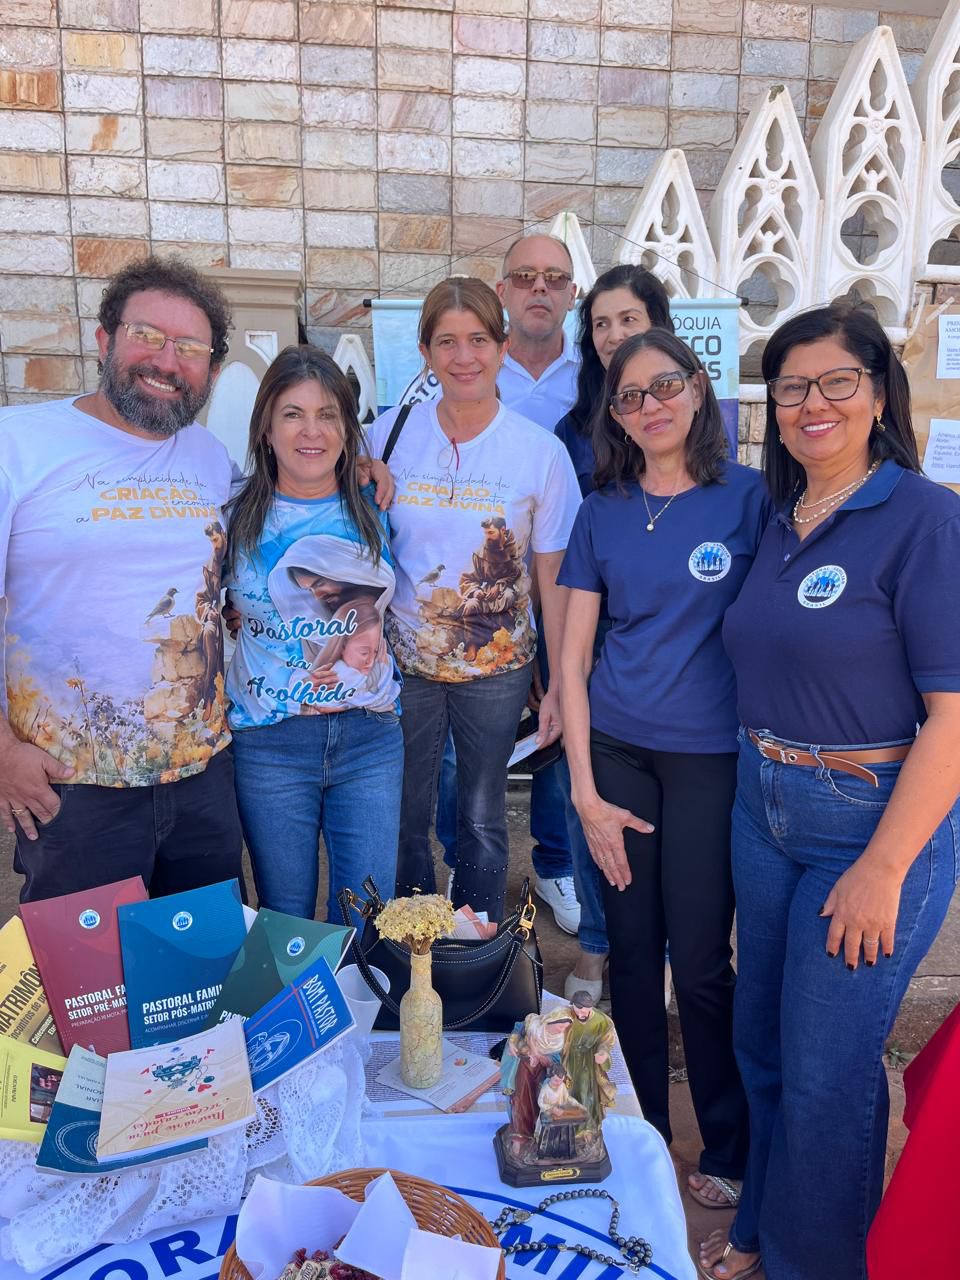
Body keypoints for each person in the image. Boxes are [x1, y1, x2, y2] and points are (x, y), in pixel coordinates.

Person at [703, 304, 960, 1280]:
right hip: (763, 806)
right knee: (763, 1045)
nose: (813, 403)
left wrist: (884, 868)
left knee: (826, 1073)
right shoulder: (781, 516)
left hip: (868, 819)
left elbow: (955, 717)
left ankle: (817, 1264)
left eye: (837, 381)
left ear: (880, 392)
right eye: (791, 386)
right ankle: (764, 1225)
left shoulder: (926, 520)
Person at [559, 329, 766, 1213]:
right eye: (630, 396)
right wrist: (583, 791)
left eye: (665, 386)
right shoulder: (601, 510)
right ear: (614, 414)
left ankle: (726, 1140)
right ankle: (639, 1127)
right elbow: (572, 661)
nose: (650, 407)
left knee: (704, 960)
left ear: (698, 388)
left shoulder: (751, 498)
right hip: (616, 753)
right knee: (633, 952)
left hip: (711, 758)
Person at [0, 255, 246, 901]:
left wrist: (364, 469)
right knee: (86, 965)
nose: (167, 361)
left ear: (212, 369)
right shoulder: (17, 445)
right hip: (73, 788)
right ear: (105, 339)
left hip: (201, 776)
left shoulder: (209, 457)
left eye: (189, 347)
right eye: (147, 335)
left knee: (206, 960)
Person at [366, 277, 581, 922]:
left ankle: (476, 939)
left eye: (480, 340)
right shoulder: (385, 437)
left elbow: (554, 577)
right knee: (403, 811)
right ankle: (409, 941)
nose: (464, 357)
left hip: (497, 668)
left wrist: (560, 680)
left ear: (503, 346)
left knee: (483, 814)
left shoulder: (539, 453)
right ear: (425, 352)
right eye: (447, 342)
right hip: (401, 665)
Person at [224, 346, 403, 923]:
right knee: (286, 919)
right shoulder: (231, 514)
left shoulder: (379, 503)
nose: (312, 431)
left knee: (368, 917)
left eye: (327, 414)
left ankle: (360, 991)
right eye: (293, 414)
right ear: (266, 428)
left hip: (370, 738)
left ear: (348, 428)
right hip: (269, 743)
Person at [438, 233, 581, 933]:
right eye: (525, 276)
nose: (539, 288)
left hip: (563, 586)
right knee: (454, 765)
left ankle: (555, 864)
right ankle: (451, 875)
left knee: (556, 736)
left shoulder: (593, 376)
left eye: (554, 277)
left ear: (572, 294)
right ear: (503, 292)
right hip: (464, 613)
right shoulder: (447, 386)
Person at [554, 263, 674, 1001]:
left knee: (666, 814)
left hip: (665, 644)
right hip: (588, 638)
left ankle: (665, 948)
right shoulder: (573, 431)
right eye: (600, 323)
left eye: (628, 319)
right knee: (588, 799)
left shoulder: (689, 419)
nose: (612, 334)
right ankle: (597, 946)